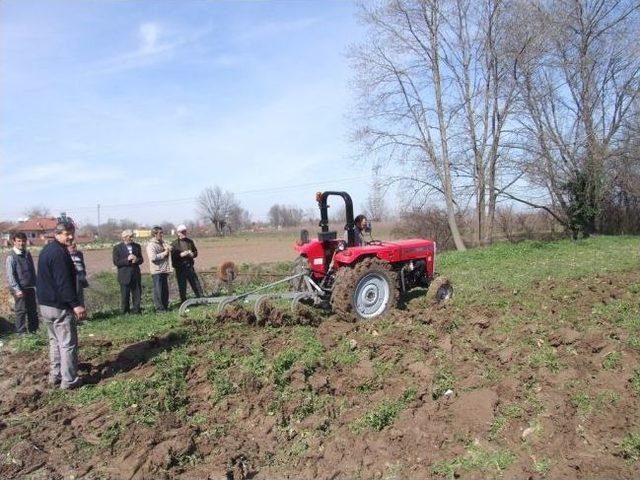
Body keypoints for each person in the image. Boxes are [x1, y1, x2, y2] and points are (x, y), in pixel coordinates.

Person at [36, 220, 86, 390]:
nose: (71, 236)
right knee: (67, 344)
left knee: (54, 342)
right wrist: (75, 304)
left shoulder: (47, 250)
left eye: (72, 232)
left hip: (45, 304)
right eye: (67, 233)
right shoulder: (59, 253)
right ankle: (69, 380)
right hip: (59, 306)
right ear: (57, 234)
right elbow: (63, 283)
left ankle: (55, 375)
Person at [5, 232, 39, 334]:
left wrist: (36, 285)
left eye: (23, 241)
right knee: (21, 311)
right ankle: (21, 334)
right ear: (14, 242)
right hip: (19, 288)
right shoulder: (11, 257)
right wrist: (17, 289)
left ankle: (34, 332)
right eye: (19, 241)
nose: (21, 243)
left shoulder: (27, 254)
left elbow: (32, 270)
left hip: (29, 287)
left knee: (32, 311)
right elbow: (10, 276)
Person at [112, 230, 144, 314]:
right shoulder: (117, 248)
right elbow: (116, 262)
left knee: (137, 294)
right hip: (124, 275)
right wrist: (127, 259)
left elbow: (141, 260)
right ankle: (125, 312)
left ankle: (136, 311)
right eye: (130, 236)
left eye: (132, 236)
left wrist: (136, 260)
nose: (132, 238)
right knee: (125, 295)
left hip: (135, 274)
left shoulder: (137, 246)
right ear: (124, 237)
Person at [171, 224, 204, 303]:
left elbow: (195, 252)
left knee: (196, 283)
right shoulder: (174, 244)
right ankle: (184, 302)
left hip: (189, 266)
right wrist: (181, 255)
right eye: (182, 232)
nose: (184, 233)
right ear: (178, 233)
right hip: (180, 268)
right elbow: (173, 258)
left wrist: (193, 254)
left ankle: (201, 299)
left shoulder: (190, 242)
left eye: (185, 231)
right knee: (182, 286)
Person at [146, 226, 172, 312]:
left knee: (165, 291)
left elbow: (168, 247)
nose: (162, 234)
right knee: (158, 291)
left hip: (164, 270)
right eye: (160, 233)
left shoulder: (162, 243)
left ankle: (165, 307)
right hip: (157, 271)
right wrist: (164, 253)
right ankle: (159, 310)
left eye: (162, 232)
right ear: (154, 234)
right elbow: (152, 257)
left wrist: (169, 248)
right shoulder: (151, 245)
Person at [68, 242, 89, 308]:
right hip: (72, 277)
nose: (74, 248)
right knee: (73, 295)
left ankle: (82, 314)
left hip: (80, 275)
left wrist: (84, 273)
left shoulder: (79, 254)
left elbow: (82, 264)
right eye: (71, 247)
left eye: (75, 246)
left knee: (80, 296)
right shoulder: (65, 255)